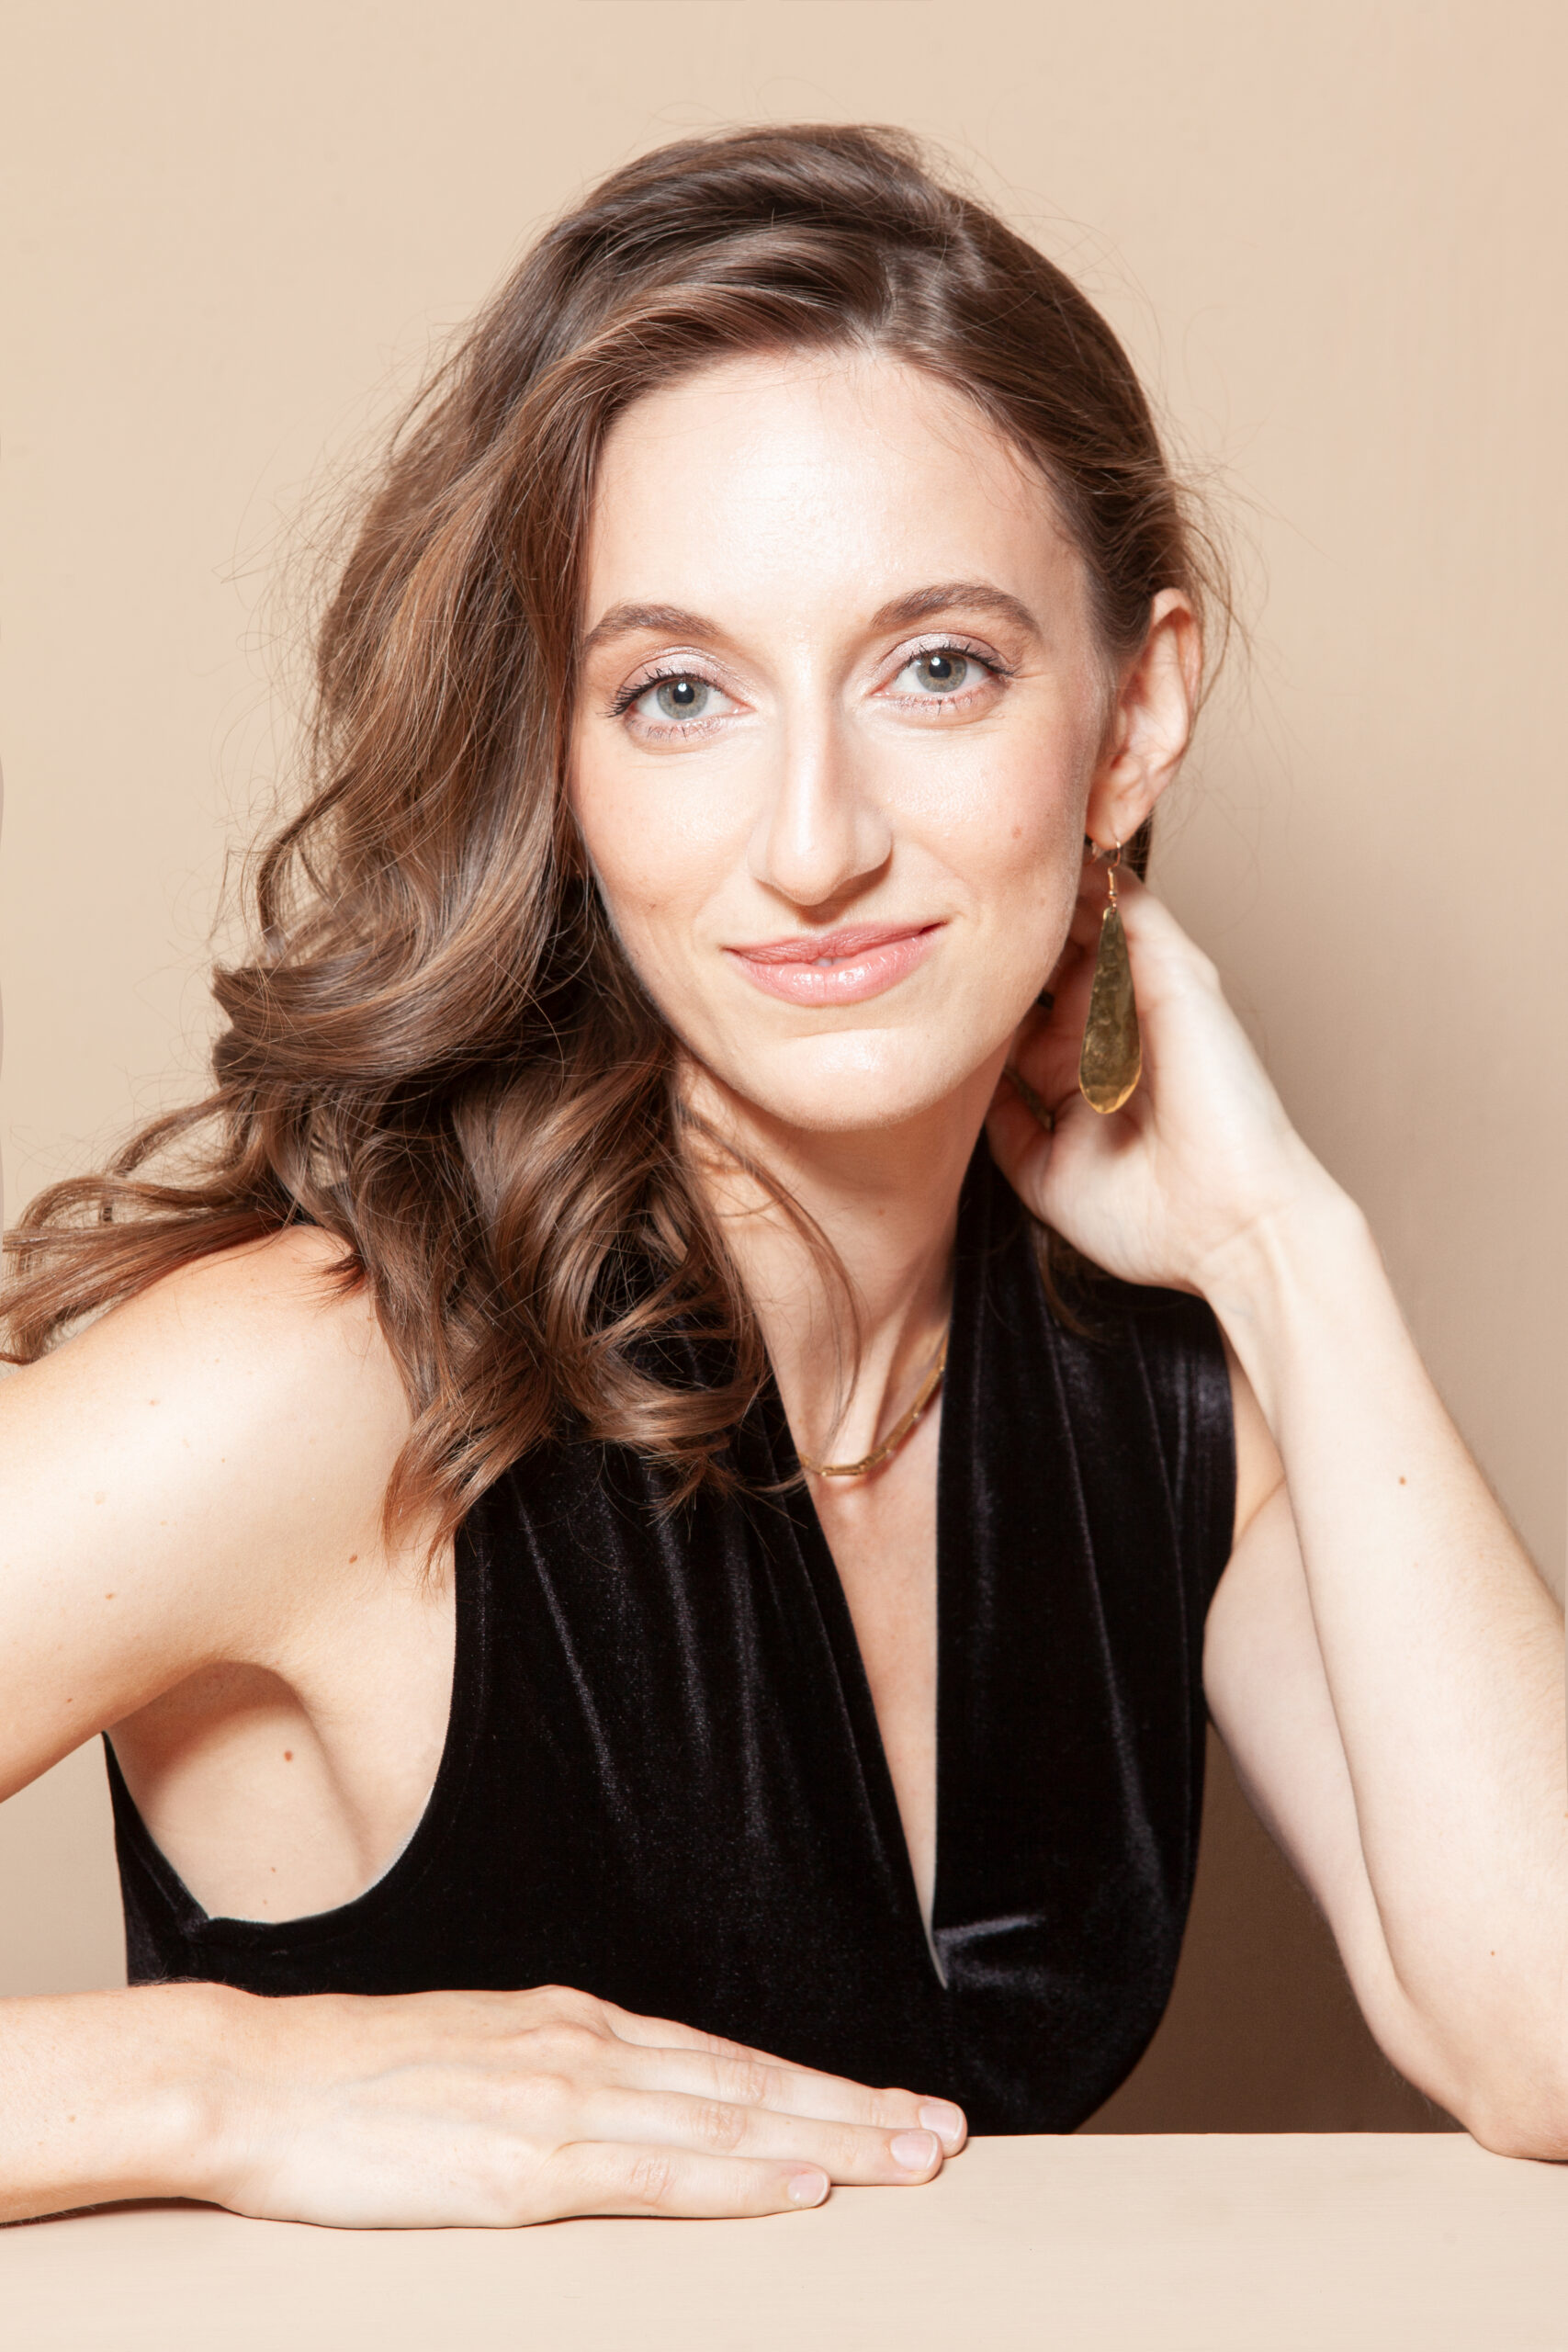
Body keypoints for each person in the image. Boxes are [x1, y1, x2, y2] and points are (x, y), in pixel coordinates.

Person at [1, 123, 1562, 2232]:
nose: (813, 839)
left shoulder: (1160, 1386)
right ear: (562, 767)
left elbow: (1547, 2035)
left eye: (937, 667)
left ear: (1128, 719)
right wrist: (211, 2083)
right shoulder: (322, 1383)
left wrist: (1285, 1240)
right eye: (677, 693)